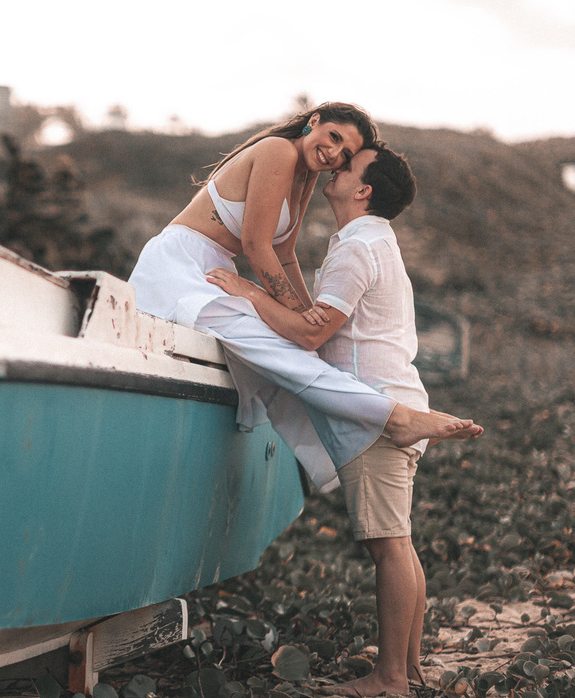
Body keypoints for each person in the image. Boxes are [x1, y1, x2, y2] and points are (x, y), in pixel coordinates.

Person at [206, 142, 470, 696]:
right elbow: (317, 320)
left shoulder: (357, 248)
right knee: (401, 542)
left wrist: (250, 292)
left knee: (389, 545)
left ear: (363, 190)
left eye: (347, 165)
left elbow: (311, 332)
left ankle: (391, 676)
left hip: (373, 413)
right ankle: (411, 667)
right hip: (394, 398)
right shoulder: (373, 242)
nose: (335, 166)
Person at [127, 102, 480, 494]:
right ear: (313, 122)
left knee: (299, 353)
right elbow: (257, 246)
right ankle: (395, 419)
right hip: (179, 268)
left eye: (345, 154)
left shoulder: (306, 173)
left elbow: (285, 253)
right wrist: (299, 318)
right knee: (282, 353)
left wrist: (306, 316)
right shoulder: (279, 151)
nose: (334, 153)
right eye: (333, 137)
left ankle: (353, 448)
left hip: (212, 269)